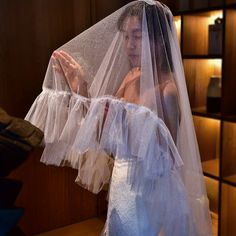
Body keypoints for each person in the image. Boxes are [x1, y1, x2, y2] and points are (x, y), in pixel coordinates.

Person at [25, 1, 213, 235]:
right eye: (125, 36)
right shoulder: (131, 76)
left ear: (160, 39)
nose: (129, 45)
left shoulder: (168, 91)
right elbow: (103, 127)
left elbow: (166, 159)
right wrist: (80, 87)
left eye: (137, 36)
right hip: (121, 183)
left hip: (147, 194)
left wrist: (130, 132)